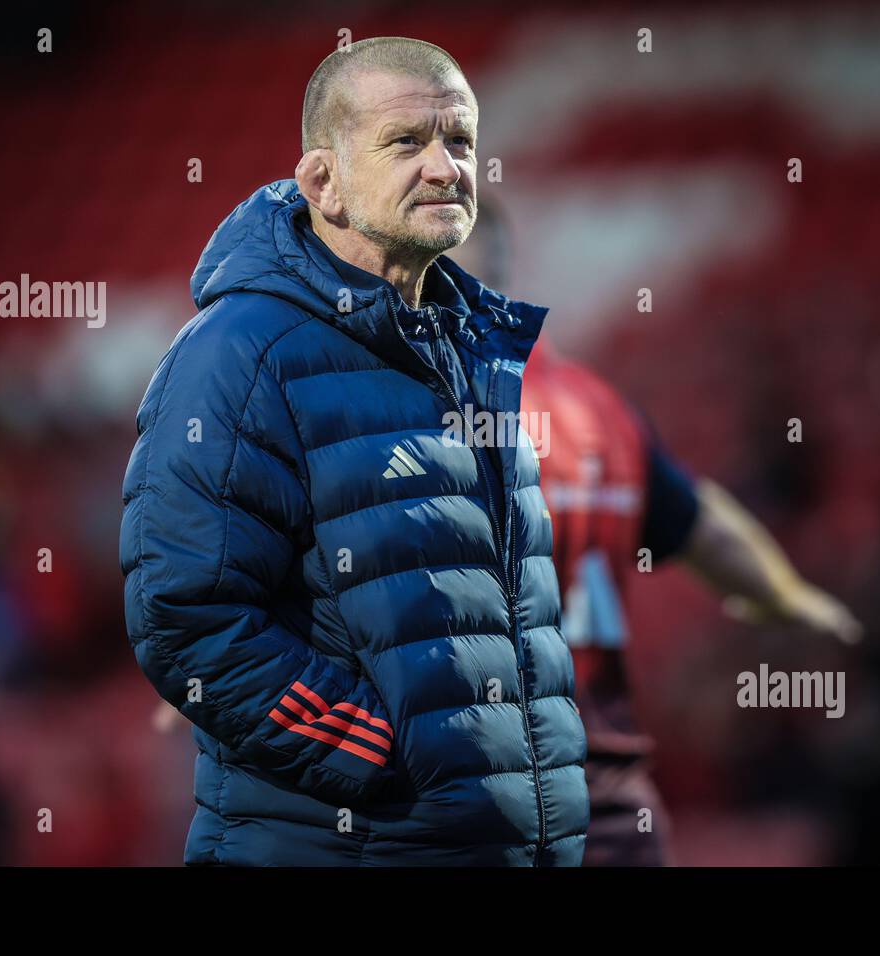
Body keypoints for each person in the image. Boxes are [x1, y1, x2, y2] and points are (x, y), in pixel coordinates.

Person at [120, 36, 588, 866]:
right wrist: (376, 754)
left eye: (461, 142)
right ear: (323, 184)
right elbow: (184, 617)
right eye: (407, 143)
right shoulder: (240, 352)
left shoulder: (472, 348)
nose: (446, 168)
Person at [450, 202, 862, 866]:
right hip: (605, 802)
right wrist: (790, 595)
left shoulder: (427, 415)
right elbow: (708, 530)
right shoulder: (602, 413)